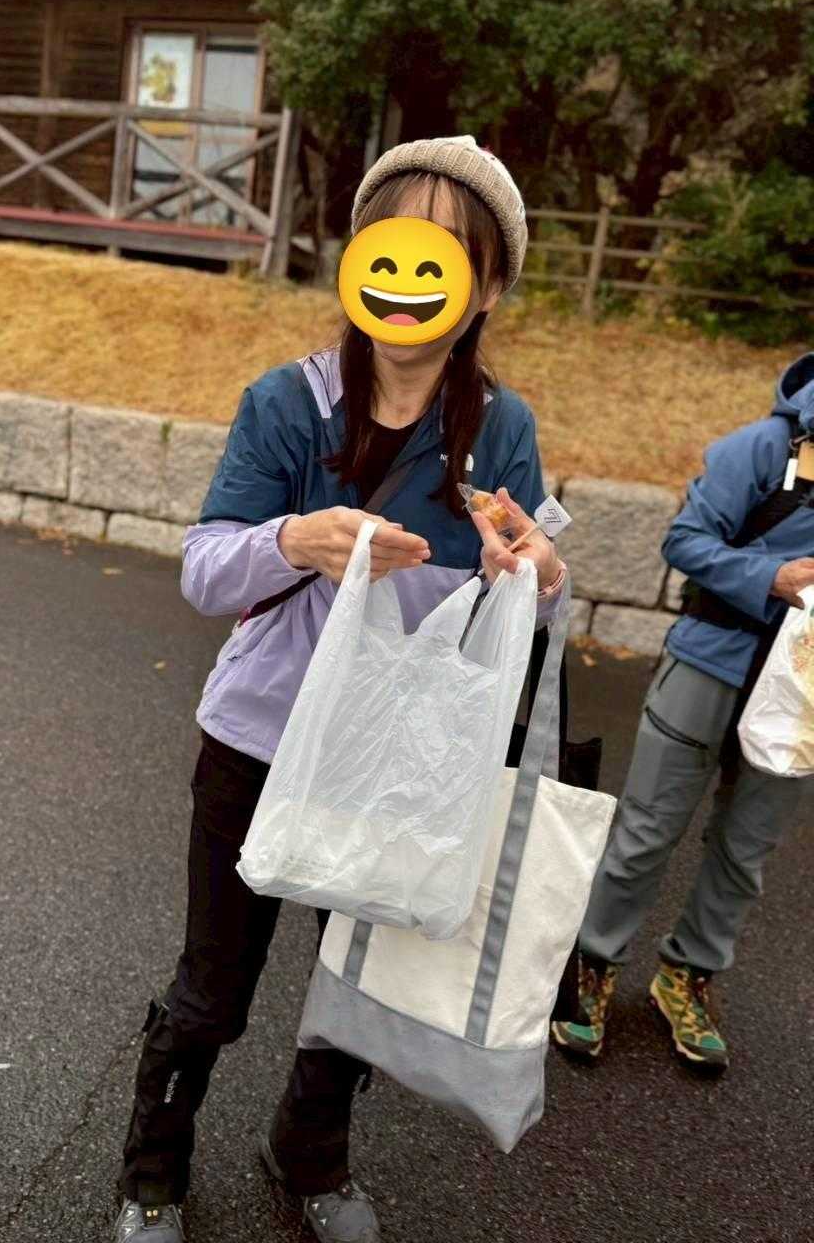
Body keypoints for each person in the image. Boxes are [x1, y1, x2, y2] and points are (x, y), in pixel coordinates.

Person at [112, 136, 567, 1243]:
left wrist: (535, 575)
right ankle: (152, 1171)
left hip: (395, 765)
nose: (410, 277)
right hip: (259, 745)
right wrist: (292, 540)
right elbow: (204, 569)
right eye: (392, 246)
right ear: (358, 261)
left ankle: (308, 1154)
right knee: (213, 987)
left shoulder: (500, 427)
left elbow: (524, 597)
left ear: (486, 288)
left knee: (356, 984)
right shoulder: (287, 404)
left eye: (445, 256)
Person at [553, 351, 814, 1072]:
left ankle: (687, 975)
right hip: (712, 661)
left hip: (803, 691)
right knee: (647, 831)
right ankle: (592, 966)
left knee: (746, 849)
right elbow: (684, 541)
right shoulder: (762, 449)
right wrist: (772, 576)